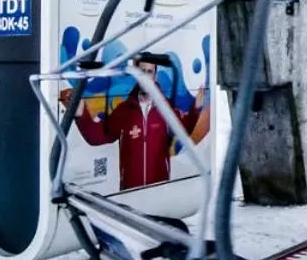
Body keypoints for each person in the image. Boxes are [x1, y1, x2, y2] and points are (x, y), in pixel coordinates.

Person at [72, 51, 210, 190]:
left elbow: (183, 130)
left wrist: (196, 108)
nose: (145, 76)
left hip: (160, 189)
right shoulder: (124, 110)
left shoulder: (166, 107)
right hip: (130, 192)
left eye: (149, 72)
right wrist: (80, 113)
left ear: (155, 76)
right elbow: (98, 136)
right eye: (142, 72)